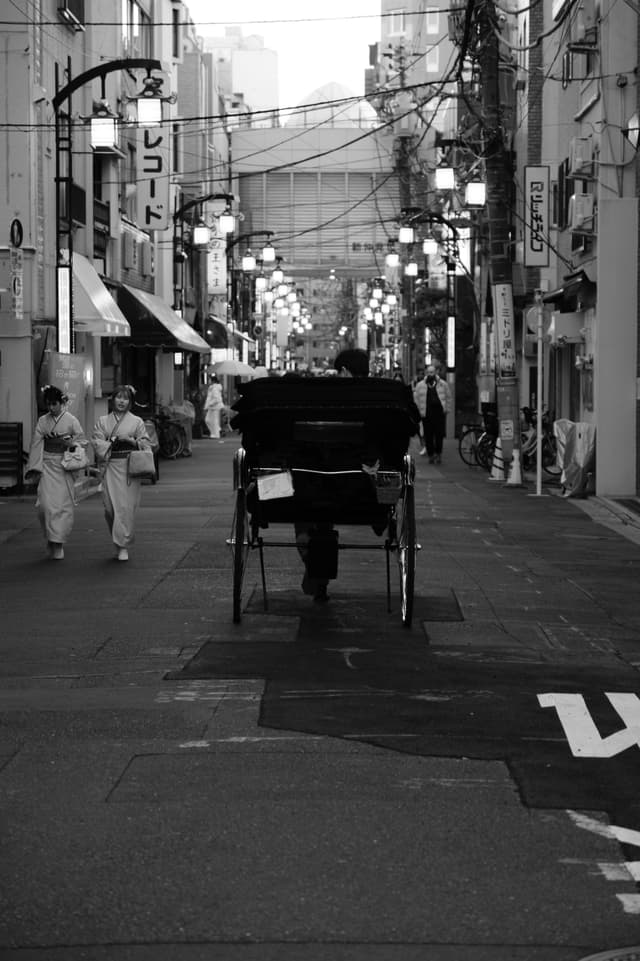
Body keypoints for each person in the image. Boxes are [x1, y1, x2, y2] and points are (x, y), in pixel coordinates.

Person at [295, 348, 370, 602]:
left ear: (345, 371)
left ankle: (312, 560)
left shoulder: (325, 397)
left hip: (315, 480)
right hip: (361, 485)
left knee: (306, 505)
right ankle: (318, 572)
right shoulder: (378, 397)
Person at [24, 385, 87, 560]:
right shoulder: (42, 421)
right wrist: (35, 467)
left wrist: (70, 443)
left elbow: (82, 439)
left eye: (54, 404)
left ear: (61, 403)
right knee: (44, 506)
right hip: (47, 465)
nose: (51, 408)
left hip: (63, 466)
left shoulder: (71, 420)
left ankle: (58, 542)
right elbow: (36, 444)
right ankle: (51, 539)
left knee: (61, 506)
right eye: (48, 405)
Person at [91, 385, 152, 562]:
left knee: (125, 509)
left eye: (125, 398)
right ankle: (118, 540)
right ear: (113, 399)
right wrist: (111, 443)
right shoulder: (103, 421)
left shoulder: (137, 422)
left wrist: (131, 441)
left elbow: (146, 444)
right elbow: (96, 441)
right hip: (110, 466)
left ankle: (123, 545)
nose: (121, 401)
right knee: (110, 509)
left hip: (129, 468)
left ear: (130, 402)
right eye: (118, 397)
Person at [413, 364, 452, 463]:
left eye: (432, 372)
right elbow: (416, 399)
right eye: (429, 372)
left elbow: (448, 397)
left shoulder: (443, 384)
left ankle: (438, 454)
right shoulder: (420, 385)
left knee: (439, 435)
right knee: (428, 435)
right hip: (426, 414)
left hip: (439, 413)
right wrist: (419, 412)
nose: (431, 374)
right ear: (426, 373)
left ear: (436, 373)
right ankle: (431, 454)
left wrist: (447, 409)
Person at [204, 374, 224, 440]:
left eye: (209, 380)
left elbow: (216, 398)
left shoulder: (214, 388)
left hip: (215, 406)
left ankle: (216, 434)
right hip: (212, 407)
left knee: (213, 420)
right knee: (208, 420)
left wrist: (210, 404)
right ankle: (216, 432)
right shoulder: (212, 387)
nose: (208, 381)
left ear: (213, 381)